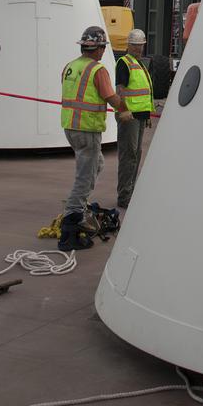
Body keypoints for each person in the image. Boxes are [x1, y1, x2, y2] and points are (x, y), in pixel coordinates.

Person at [59, 24, 132, 251]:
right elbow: (110, 95)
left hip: (70, 126)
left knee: (96, 164)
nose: (102, 52)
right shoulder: (97, 70)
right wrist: (125, 110)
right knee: (86, 174)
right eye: (102, 48)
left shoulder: (70, 67)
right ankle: (73, 215)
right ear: (98, 48)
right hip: (87, 128)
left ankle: (78, 202)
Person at [114, 28, 154, 210]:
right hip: (129, 117)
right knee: (128, 156)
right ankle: (124, 196)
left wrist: (146, 114)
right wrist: (123, 110)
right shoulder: (124, 63)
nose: (139, 49)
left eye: (141, 46)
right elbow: (120, 89)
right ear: (128, 45)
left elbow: (143, 93)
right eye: (136, 45)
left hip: (139, 116)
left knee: (135, 155)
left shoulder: (140, 64)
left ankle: (130, 193)